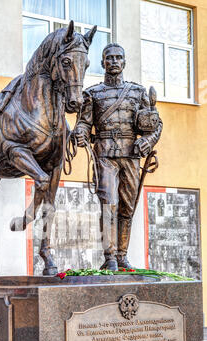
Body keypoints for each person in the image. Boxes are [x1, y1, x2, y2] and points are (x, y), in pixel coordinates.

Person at [74, 43, 163, 270]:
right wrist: (81, 134)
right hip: (104, 154)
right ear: (103, 62)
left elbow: (155, 125)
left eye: (118, 58)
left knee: (126, 207)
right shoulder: (92, 94)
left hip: (131, 156)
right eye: (109, 58)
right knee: (108, 205)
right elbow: (84, 123)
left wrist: (147, 141)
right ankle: (110, 256)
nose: (114, 61)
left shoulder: (138, 92)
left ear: (124, 62)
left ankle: (122, 255)